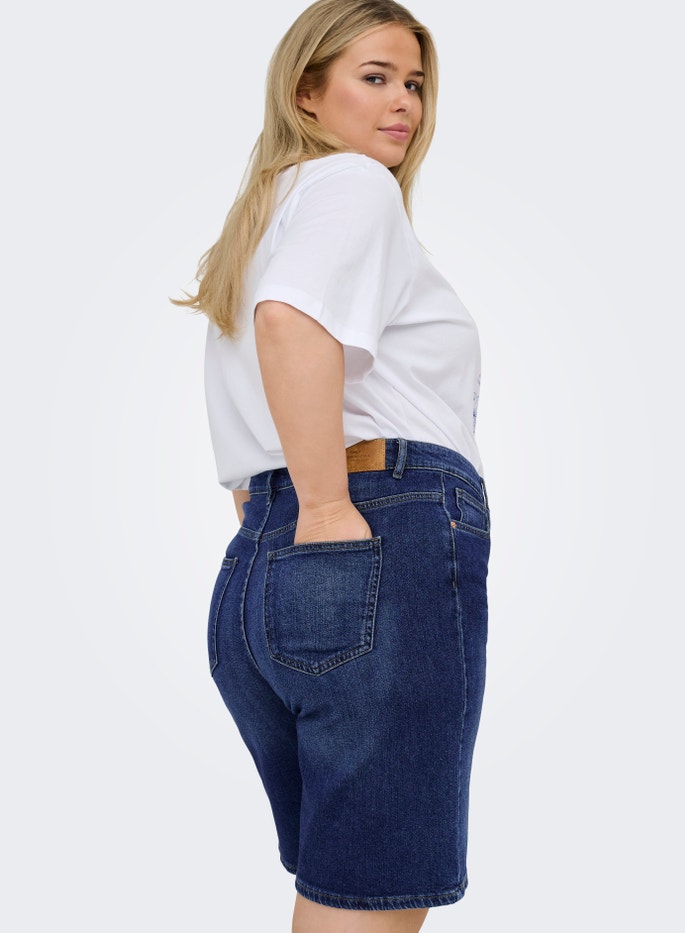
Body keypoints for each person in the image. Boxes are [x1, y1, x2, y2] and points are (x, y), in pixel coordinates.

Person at [174, 2, 491, 930]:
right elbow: (290, 324)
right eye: (376, 77)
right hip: (371, 532)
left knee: (339, 889)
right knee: (368, 903)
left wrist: (297, 525)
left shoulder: (263, 220)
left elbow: (249, 430)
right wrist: (324, 507)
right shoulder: (353, 185)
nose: (405, 104)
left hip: (265, 571)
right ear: (306, 94)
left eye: (415, 83)